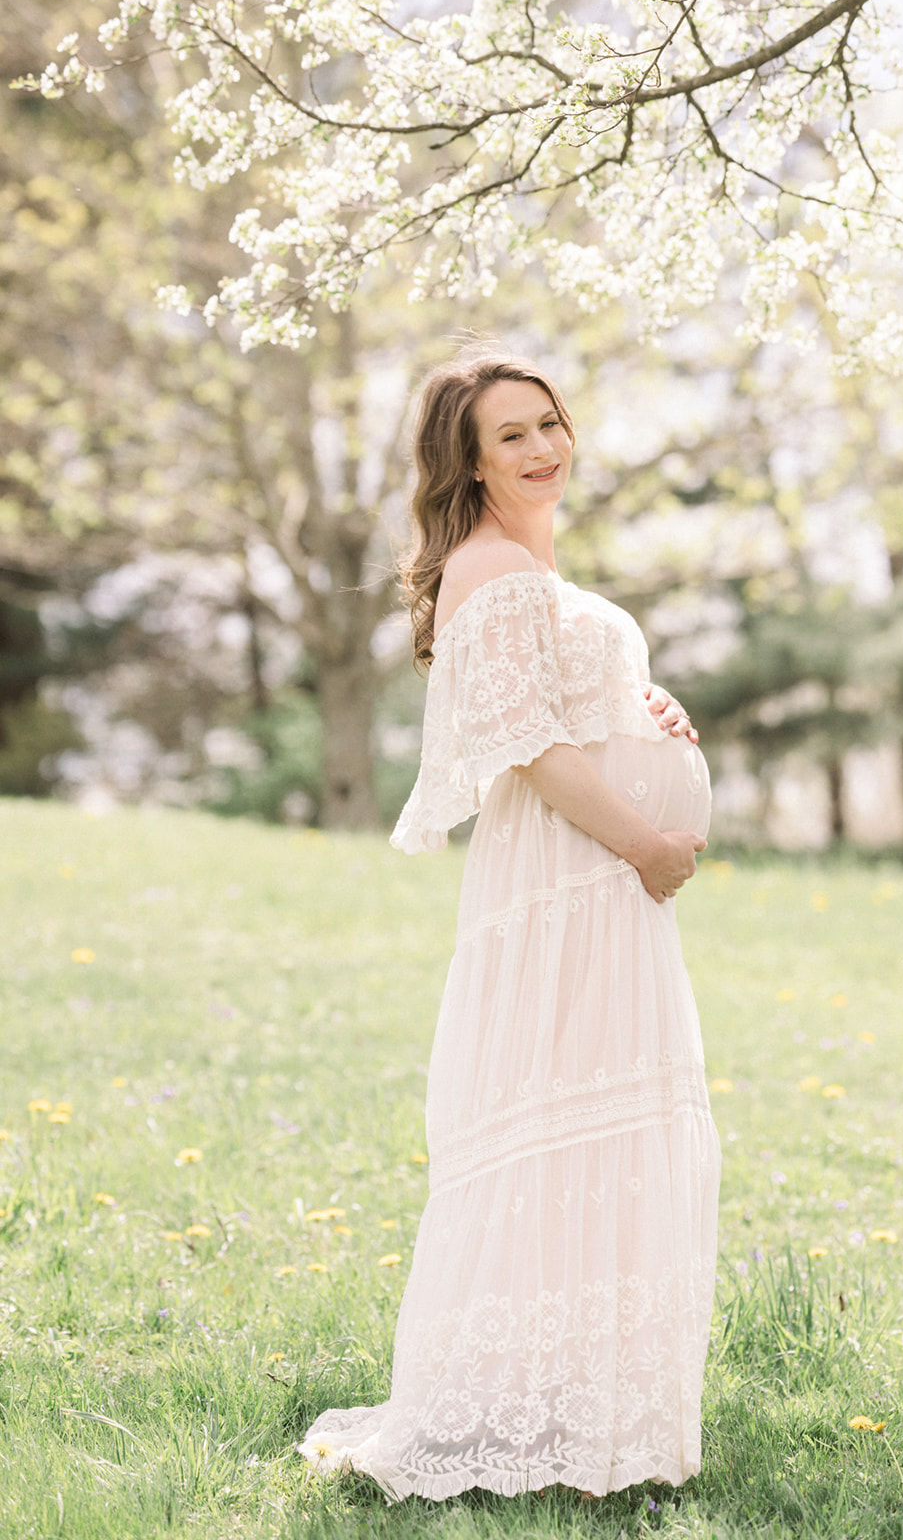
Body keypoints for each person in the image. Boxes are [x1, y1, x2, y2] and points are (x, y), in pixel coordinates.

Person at [298, 353, 721, 1501]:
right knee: (556, 1133)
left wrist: (646, 709)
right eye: (510, 437)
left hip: (596, 893)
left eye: (550, 425)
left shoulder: (528, 569)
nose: (542, 450)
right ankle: (529, 1424)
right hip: (570, 889)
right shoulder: (491, 571)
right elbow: (527, 751)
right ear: (467, 461)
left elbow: (567, 714)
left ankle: (588, 1419)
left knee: (596, 1138)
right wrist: (643, 840)